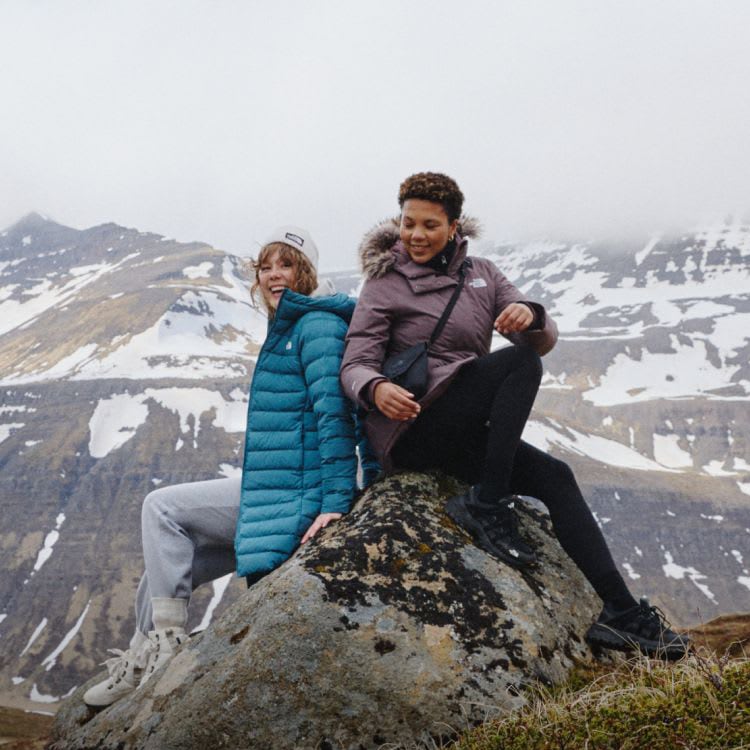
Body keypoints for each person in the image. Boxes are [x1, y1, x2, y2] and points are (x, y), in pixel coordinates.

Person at [340, 172, 689, 659]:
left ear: (454, 226)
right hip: (414, 427)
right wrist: (376, 389)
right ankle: (486, 502)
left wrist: (531, 315)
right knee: (519, 363)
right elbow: (354, 364)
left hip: (462, 426)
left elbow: (539, 338)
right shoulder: (384, 283)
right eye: (408, 223)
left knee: (556, 475)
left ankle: (622, 614)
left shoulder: (481, 274)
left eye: (429, 225)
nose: (416, 235)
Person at [84, 226, 377, 708]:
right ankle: (142, 656)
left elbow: (335, 419)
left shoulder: (318, 327)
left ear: (307, 271)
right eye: (266, 266)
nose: (275, 274)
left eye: (287, 264)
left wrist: (336, 505)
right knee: (167, 564)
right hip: (279, 487)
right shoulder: (290, 327)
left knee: (161, 510)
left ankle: (168, 649)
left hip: (297, 495)